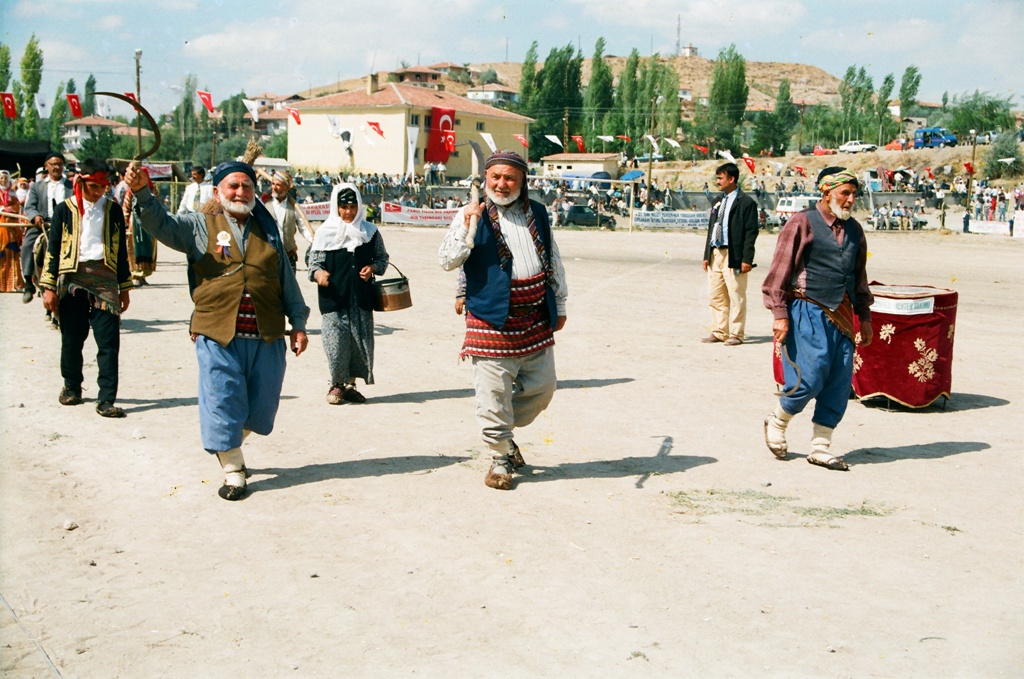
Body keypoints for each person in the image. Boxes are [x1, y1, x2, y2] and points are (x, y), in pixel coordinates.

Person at [123, 160, 310, 501]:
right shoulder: (199, 225)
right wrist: (141, 192)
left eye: (247, 186)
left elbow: (286, 281)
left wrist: (298, 323)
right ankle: (234, 471)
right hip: (217, 333)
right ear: (217, 192)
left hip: (266, 335)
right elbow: (161, 224)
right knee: (223, 400)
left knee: (261, 408)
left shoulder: (267, 231)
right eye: (233, 186)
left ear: (256, 192)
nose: (240, 192)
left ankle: (226, 443)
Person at [438, 150, 568, 490]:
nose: (502, 184)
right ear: (485, 178)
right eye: (495, 177)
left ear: (523, 181)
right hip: (489, 320)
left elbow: (552, 257)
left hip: (534, 318)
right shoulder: (472, 214)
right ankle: (499, 458)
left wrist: (561, 302)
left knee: (543, 388)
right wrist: (467, 225)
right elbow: (447, 261)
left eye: (510, 177)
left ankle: (503, 432)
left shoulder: (537, 212)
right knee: (493, 398)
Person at [761, 166, 873, 471]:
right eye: (844, 193)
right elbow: (779, 273)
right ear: (826, 192)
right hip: (807, 311)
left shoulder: (855, 231)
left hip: (843, 316)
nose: (851, 200)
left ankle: (820, 446)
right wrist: (780, 315)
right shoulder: (801, 223)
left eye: (854, 194)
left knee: (838, 381)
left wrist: (864, 317)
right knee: (809, 376)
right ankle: (778, 419)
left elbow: (859, 277)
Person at [37, 158, 132, 418]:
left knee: (109, 341)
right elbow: (53, 249)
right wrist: (48, 287)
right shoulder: (65, 209)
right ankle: (71, 386)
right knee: (72, 337)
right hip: (72, 278)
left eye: (103, 186)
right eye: (94, 186)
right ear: (82, 181)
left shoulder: (113, 210)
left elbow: (121, 251)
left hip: (105, 279)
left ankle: (106, 399)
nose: (99, 191)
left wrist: (124, 287)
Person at [309, 183, 389, 404]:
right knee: (336, 344)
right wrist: (319, 274)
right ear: (336, 207)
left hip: (360, 301)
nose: (348, 212)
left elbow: (382, 259)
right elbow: (313, 264)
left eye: (353, 206)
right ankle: (336, 385)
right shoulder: (325, 233)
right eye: (343, 207)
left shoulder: (370, 233)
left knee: (358, 343)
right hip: (334, 299)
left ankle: (350, 385)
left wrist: (372, 268)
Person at [701, 162, 759, 345]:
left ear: (731, 179)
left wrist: (746, 259)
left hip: (734, 255)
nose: (717, 182)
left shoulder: (746, 203)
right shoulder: (717, 200)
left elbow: (751, 232)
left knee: (736, 295)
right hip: (716, 253)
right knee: (716, 295)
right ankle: (719, 330)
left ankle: (736, 333)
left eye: (720, 178)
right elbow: (712, 228)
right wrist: (706, 255)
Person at [23, 152, 74, 304]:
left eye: (59, 164)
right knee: (27, 244)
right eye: (53, 164)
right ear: (46, 166)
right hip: (43, 224)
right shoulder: (37, 187)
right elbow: (30, 206)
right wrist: (35, 216)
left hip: (67, 225)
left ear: (63, 166)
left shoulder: (71, 186)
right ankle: (28, 283)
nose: (56, 167)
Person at [113, 168, 159, 287]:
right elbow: (126, 207)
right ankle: (137, 275)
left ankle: (144, 275)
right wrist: (125, 223)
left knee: (148, 248)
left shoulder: (153, 190)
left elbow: (158, 206)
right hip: (135, 225)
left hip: (150, 224)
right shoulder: (130, 191)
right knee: (134, 249)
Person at [263, 171, 314, 271]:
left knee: (289, 286)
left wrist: (314, 241)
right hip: (268, 258)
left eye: (278, 185)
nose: (273, 187)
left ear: (287, 187)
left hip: (288, 257)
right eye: (273, 184)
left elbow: (304, 229)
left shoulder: (294, 207)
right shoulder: (264, 204)